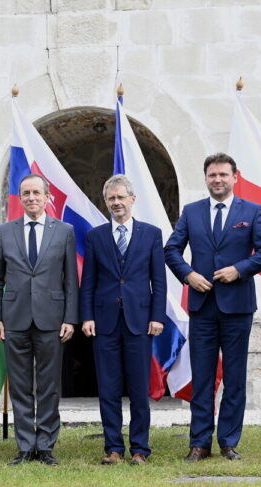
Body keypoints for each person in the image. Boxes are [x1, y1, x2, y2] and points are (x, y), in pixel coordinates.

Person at [164, 153, 261, 462]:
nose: (218, 180)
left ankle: (228, 441)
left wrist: (239, 269)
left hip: (237, 307)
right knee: (202, 377)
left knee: (235, 377)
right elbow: (171, 249)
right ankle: (199, 442)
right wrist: (188, 275)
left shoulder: (252, 211)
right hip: (202, 307)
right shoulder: (192, 212)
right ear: (206, 178)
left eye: (223, 175)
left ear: (234, 177)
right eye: (212, 175)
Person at [0, 173, 78, 466]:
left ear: (47, 197)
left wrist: (70, 318)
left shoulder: (64, 231)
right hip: (14, 320)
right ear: (20, 198)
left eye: (37, 193)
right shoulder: (5, 232)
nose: (31, 198)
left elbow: (70, 280)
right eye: (26, 193)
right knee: (20, 385)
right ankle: (26, 446)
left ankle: (46, 446)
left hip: (52, 320)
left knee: (49, 386)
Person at [79, 175, 166, 466]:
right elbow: (88, 281)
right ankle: (113, 448)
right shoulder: (95, 236)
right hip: (104, 322)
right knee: (108, 388)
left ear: (132, 199)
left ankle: (140, 448)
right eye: (111, 198)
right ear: (105, 202)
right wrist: (87, 316)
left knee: (139, 388)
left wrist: (157, 316)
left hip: (139, 321)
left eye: (120, 197)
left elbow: (159, 280)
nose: (116, 203)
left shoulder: (151, 234)